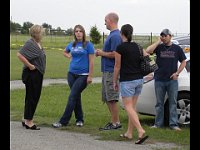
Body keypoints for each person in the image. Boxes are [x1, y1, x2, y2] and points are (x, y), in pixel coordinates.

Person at [52, 24, 95, 128]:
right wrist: (68, 56)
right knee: (76, 96)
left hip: (83, 75)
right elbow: (65, 52)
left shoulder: (88, 45)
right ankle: (79, 119)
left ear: (83, 33)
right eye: (76, 31)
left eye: (80, 31)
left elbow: (92, 61)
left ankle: (63, 121)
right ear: (74, 33)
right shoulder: (72, 44)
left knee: (72, 96)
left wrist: (90, 76)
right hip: (71, 74)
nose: (78, 33)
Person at [113, 24, 149, 144]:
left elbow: (117, 66)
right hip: (139, 80)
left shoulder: (120, 48)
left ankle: (140, 130)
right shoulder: (138, 46)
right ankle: (129, 133)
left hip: (127, 81)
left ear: (121, 33)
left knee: (128, 107)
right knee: (132, 108)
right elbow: (148, 56)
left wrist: (114, 81)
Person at [146, 29, 187, 131]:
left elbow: (183, 62)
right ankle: (158, 124)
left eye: (165, 36)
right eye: (161, 36)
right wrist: (157, 42)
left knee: (172, 103)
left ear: (170, 36)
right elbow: (147, 51)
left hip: (172, 80)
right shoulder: (159, 47)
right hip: (159, 79)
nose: (163, 37)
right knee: (159, 103)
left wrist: (177, 73)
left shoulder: (177, 48)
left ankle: (173, 124)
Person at [96, 12, 122, 130]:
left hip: (112, 71)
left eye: (105, 20)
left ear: (110, 21)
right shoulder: (112, 35)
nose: (104, 23)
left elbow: (115, 54)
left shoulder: (116, 36)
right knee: (107, 98)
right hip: (106, 71)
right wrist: (102, 52)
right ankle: (113, 121)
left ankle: (116, 123)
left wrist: (101, 53)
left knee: (112, 98)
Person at [17, 24, 46, 130]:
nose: (43, 34)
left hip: (37, 73)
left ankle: (26, 119)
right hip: (32, 74)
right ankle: (29, 121)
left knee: (31, 97)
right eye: (41, 32)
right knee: (32, 97)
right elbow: (20, 54)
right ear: (37, 33)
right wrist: (30, 66)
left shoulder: (37, 43)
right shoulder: (30, 43)